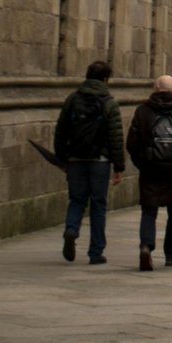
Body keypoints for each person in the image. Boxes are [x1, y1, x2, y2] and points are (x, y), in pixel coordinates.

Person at [54, 60, 125, 266]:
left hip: (75, 159)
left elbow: (61, 131)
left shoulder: (72, 99)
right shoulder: (109, 103)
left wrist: (62, 158)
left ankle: (71, 229)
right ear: (105, 79)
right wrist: (119, 167)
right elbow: (116, 138)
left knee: (76, 200)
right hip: (99, 162)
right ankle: (95, 252)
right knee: (98, 204)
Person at [125, 74, 172, 270]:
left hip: (150, 167)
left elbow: (131, 143)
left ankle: (146, 246)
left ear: (154, 88)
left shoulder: (142, 111)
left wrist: (141, 162)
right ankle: (171, 255)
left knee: (149, 209)